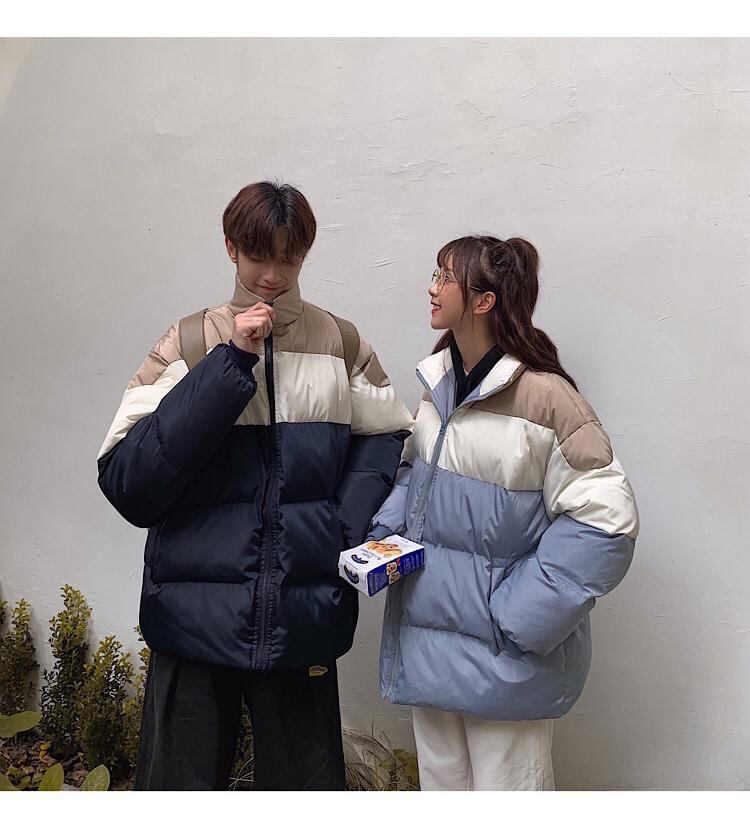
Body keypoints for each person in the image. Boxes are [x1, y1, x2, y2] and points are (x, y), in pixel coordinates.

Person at [96, 181, 414, 790]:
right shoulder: (189, 342)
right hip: (192, 620)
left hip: (301, 618)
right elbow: (127, 480)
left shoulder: (341, 344)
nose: (272, 274)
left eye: (288, 258)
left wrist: (338, 528)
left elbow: (388, 437)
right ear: (230, 248)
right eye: (258, 255)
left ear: (305, 255)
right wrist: (230, 363)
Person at [366, 235, 639, 791]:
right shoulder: (437, 386)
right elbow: (415, 476)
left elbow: (607, 523)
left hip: (503, 659)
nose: (431, 288)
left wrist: (517, 618)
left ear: (483, 300)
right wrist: (383, 540)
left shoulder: (548, 401)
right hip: (428, 640)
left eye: (444, 277)